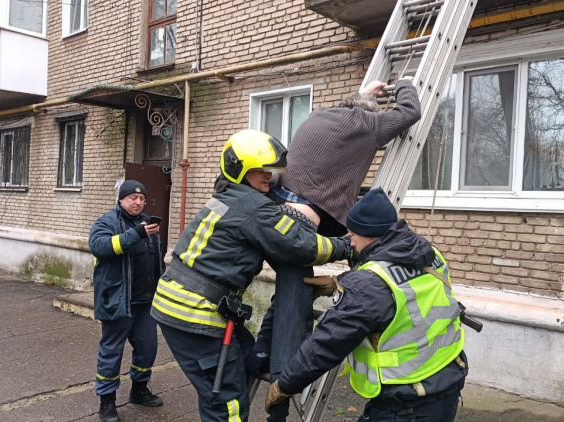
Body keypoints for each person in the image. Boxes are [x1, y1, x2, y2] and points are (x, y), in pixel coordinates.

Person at [150, 129, 352, 422]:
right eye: (261, 169)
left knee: (248, 356)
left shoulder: (227, 196)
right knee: (225, 402)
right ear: (240, 169)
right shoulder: (256, 209)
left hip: (181, 306)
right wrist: (347, 247)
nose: (269, 176)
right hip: (196, 317)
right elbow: (303, 245)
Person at [252, 77, 422, 421]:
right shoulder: (369, 124)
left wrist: (363, 93)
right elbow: (410, 111)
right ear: (368, 112)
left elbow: (351, 107)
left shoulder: (316, 116)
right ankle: (280, 402)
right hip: (300, 224)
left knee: (289, 291)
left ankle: (258, 357)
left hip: (273, 210)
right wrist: (405, 83)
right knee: (295, 304)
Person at [264, 188, 468, 422]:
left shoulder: (367, 287)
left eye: (352, 234)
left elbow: (325, 345)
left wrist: (284, 385)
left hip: (406, 405)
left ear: (370, 235)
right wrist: (338, 282)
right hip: (447, 379)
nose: (351, 242)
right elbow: (398, 284)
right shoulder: (429, 253)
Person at [89, 180, 164, 422]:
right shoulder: (107, 222)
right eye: (133, 198)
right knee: (111, 352)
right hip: (118, 300)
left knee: (147, 348)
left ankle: (139, 389)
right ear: (121, 200)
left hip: (145, 302)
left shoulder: (148, 224)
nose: (138, 202)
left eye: (142, 199)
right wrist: (136, 233)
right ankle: (107, 401)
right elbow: (99, 246)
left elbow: (155, 262)